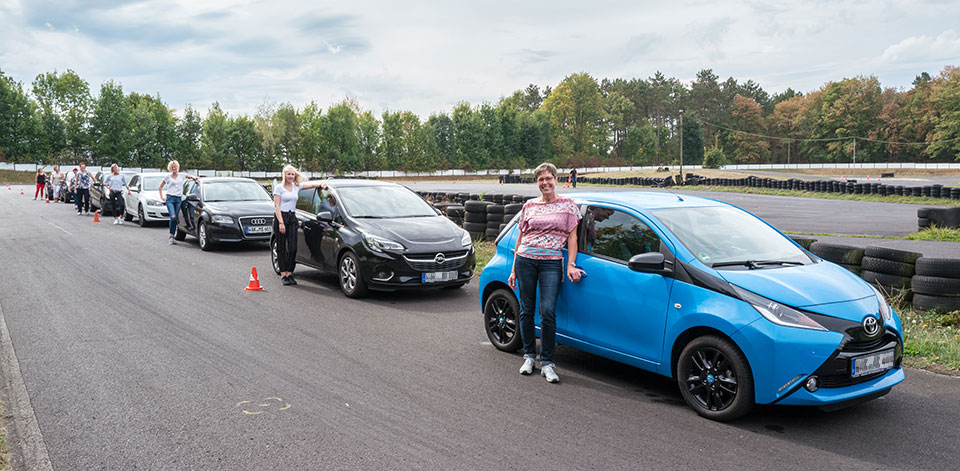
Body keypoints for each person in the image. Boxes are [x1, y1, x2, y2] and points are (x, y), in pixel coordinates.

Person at [507, 162, 584, 383]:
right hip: (525, 261)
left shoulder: (568, 206)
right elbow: (521, 239)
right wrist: (513, 269)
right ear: (537, 182)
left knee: (548, 311)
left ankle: (548, 362)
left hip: (551, 262)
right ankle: (529, 356)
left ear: (556, 180)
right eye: (541, 179)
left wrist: (570, 264)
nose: (545, 183)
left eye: (548, 178)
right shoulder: (529, 206)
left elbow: (572, 238)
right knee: (526, 310)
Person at [273, 165, 327, 286]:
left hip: (292, 218)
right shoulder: (279, 188)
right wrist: (281, 222)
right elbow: (276, 206)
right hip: (281, 217)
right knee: (282, 248)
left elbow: (312, 185)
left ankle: (289, 272)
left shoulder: (296, 187)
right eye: (288, 174)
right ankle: (284, 275)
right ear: (284, 175)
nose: (290, 176)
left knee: (293, 248)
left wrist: (321, 185)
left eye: (292, 174)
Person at [158, 160, 199, 245]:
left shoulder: (182, 175)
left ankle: (172, 236)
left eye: (175, 166)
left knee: (175, 218)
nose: (174, 168)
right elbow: (160, 187)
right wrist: (162, 197)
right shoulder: (168, 177)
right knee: (172, 217)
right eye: (172, 167)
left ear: (177, 167)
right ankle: (171, 236)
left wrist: (195, 178)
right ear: (170, 168)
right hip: (170, 199)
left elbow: (190, 176)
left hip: (178, 199)